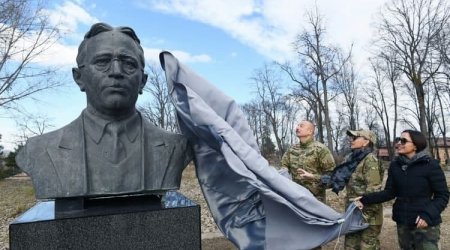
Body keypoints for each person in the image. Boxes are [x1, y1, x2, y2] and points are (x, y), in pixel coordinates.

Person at [16, 23, 192, 199]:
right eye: (102, 62)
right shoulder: (40, 150)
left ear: (143, 81)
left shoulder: (177, 147)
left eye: (129, 64)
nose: (116, 72)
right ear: (79, 78)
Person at [355, 130, 449, 250]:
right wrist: (365, 199)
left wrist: (428, 215)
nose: (399, 143)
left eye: (403, 141)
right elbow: (390, 192)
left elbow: (442, 196)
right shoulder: (395, 166)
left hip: (425, 224)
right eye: (398, 140)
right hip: (403, 223)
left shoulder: (430, 165)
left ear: (415, 145)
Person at [299, 129, 384, 249]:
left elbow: (374, 191)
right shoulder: (350, 159)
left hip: (368, 217)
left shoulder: (370, 160)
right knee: (350, 247)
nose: (351, 140)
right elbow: (336, 179)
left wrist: (363, 216)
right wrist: (312, 176)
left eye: (355, 138)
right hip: (353, 213)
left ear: (366, 142)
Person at [281, 120, 335, 203]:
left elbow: (332, 176)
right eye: (297, 125)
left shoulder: (321, 149)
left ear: (310, 131)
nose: (297, 128)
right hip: (295, 197)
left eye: (301, 126)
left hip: (315, 199)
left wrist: (313, 176)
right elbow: (283, 169)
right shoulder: (291, 149)